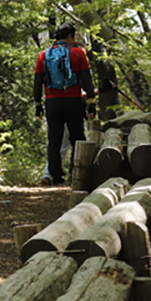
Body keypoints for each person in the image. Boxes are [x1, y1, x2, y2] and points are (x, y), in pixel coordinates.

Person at [34, 23, 96, 185]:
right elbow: (87, 80)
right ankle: (75, 174)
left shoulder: (43, 55)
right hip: (73, 100)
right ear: (70, 37)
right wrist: (91, 103)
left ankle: (55, 177)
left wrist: (38, 104)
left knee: (54, 140)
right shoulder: (78, 54)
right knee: (78, 138)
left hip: (52, 101)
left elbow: (38, 81)